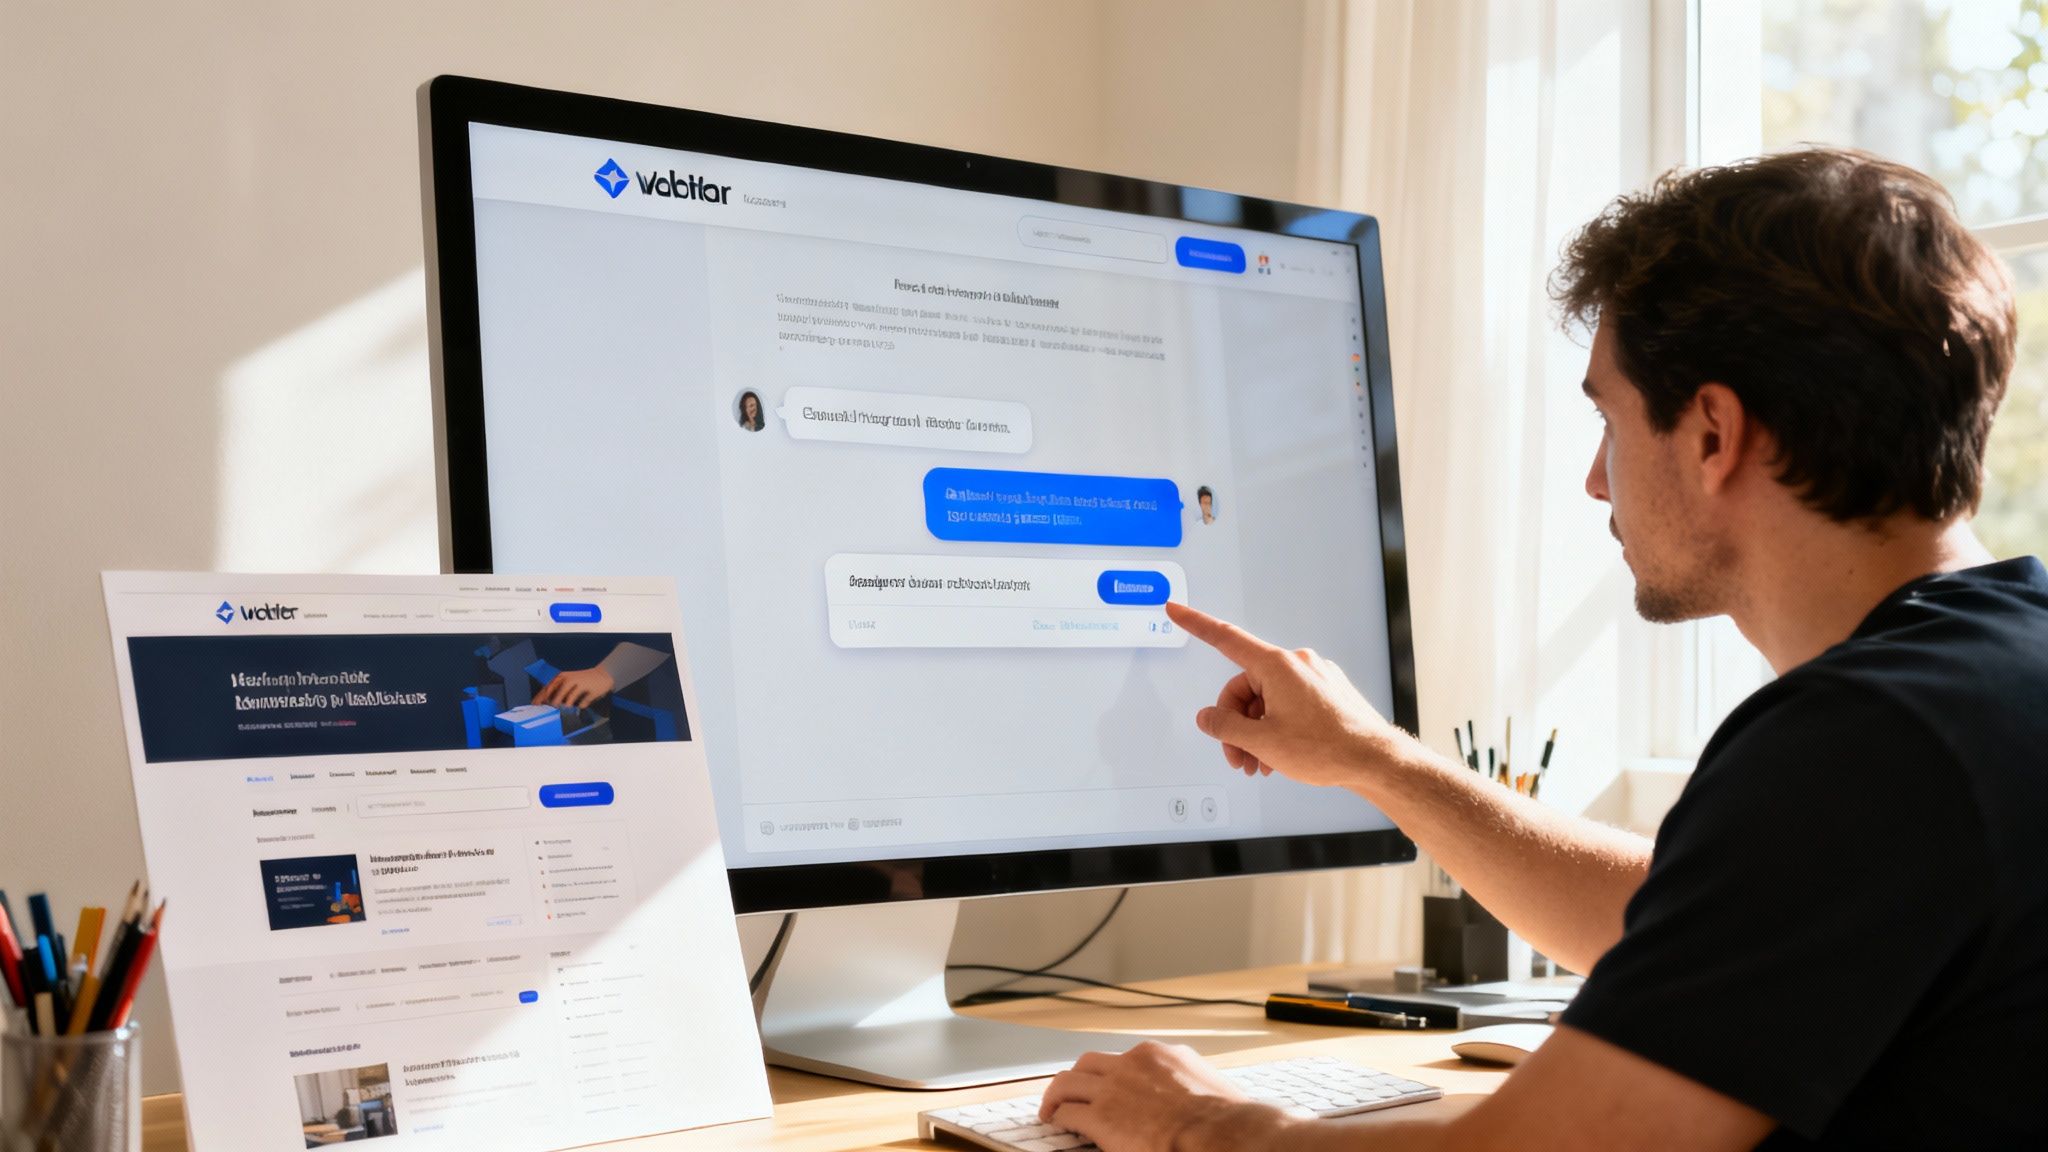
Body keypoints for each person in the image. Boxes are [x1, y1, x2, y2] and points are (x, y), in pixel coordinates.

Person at [1039, 148, 2046, 1150]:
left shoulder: (1866, 741)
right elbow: (1691, 926)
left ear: (1710, 434)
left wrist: (1203, 1126)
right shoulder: (1985, 687)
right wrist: (1373, 760)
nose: (1593, 482)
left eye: (1606, 419)